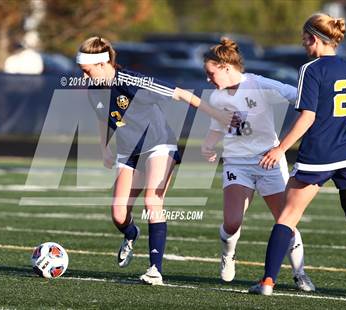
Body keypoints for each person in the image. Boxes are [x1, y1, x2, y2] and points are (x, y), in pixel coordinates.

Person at [76, 36, 232, 285]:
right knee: (118, 215)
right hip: (129, 152)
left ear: (103, 63)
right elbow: (101, 117)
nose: (84, 77)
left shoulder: (131, 80)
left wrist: (219, 116)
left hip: (159, 143)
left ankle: (154, 270)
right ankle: (131, 233)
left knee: (152, 199)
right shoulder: (93, 89)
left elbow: (181, 94)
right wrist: (104, 147)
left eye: (86, 71)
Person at [249, 13, 346, 296]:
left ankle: (267, 282)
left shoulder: (310, 69)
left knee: (287, 217)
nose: (303, 44)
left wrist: (279, 149)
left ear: (314, 38)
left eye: (304, 39)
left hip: (319, 156)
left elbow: (307, 118)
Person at [201, 37, 315, 291]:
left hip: (268, 161)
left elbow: (296, 95)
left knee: (286, 220)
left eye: (211, 73)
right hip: (236, 164)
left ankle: (300, 273)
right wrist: (207, 146)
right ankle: (228, 256)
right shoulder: (217, 97)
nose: (208, 79)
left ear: (225, 67)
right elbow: (217, 128)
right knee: (231, 223)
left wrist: (322, 106)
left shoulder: (258, 84)